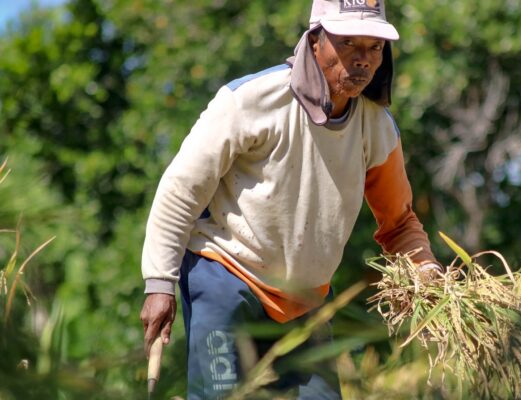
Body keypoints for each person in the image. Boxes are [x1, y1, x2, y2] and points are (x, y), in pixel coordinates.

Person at [139, 0, 441, 398]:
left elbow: (400, 224)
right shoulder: (250, 101)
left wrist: (429, 276)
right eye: (348, 43)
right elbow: (181, 190)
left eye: (374, 47)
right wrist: (160, 282)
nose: (363, 60)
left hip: (307, 300)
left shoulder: (377, 129)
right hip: (226, 278)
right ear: (315, 40)